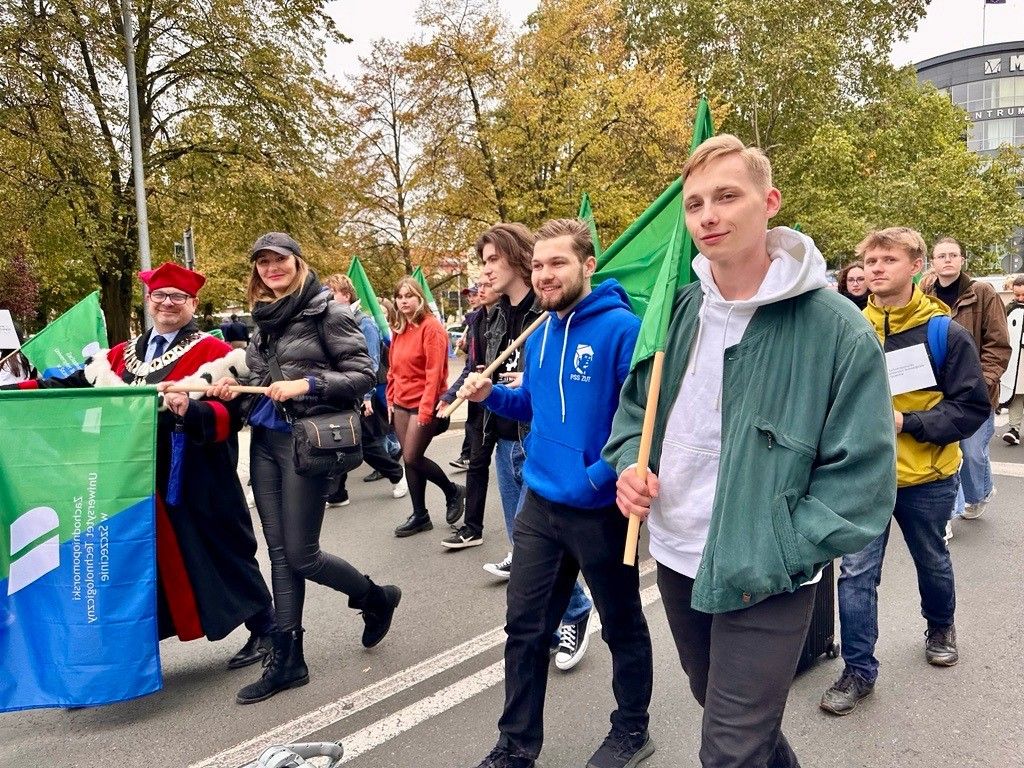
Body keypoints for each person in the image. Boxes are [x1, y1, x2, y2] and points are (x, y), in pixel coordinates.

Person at [606, 135, 897, 768]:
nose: (707, 215)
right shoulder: (678, 311)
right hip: (680, 558)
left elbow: (865, 480)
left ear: (769, 203)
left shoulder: (836, 328)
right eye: (695, 204)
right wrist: (630, 465)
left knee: (729, 751)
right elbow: (635, 415)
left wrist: (786, 546)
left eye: (726, 197)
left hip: (767, 573)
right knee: (734, 721)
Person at [6, 262, 277, 669]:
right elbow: (69, 386)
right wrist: (14, 391)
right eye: (160, 296)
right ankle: (128, 647)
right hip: (134, 476)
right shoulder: (118, 355)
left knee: (222, 549)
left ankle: (267, 628)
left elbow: (233, 413)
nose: (168, 304)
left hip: (198, 475)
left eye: (177, 297)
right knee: (141, 558)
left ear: (193, 303)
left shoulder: (216, 354)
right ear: (149, 301)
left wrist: (191, 411)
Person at [459, 218, 653, 768]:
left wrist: (597, 477)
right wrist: (493, 393)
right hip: (539, 506)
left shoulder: (622, 330)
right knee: (524, 630)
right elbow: (536, 410)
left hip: (601, 511)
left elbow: (641, 425)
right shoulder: (539, 334)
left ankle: (632, 730)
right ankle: (516, 745)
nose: (545, 275)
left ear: (587, 265)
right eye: (539, 265)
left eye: (557, 263)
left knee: (621, 625)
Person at [207, 232, 402, 705]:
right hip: (267, 442)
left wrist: (307, 384)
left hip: (308, 442)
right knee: (278, 553)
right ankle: (289, 658)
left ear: (297, 261)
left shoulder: (327, 311)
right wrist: (236, 386)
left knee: (301, 554)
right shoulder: (263, 320)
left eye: (279, 260)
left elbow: (364, 375)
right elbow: (259, 378)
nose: (271, 268)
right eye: (263, 263)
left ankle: (375, 597)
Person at [820, 227, 989, 716]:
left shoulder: (945, 333)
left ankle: (940, 626)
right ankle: (858, 671)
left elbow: (971, 408)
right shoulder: (848, 328)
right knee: (854, 574)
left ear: (917, 266)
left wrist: (907, 422)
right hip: (862, 479)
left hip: (928, 478)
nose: (874, 268)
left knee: (931, 559)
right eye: (869, 260)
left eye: (887, 259)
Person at [462, 222, 595, 673]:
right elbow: (503, 383)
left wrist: (530, 384)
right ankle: (552, 626)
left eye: (492, 260)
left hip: (540, 446)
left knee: (551, 550)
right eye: (482, 262)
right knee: (527, 545)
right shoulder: (496, 315)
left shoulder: (547, 313)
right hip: (505, 439)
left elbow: (567, 390)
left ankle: (575, 611)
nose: (485, 272)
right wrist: (484, 388)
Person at [922, 236, 1009, 521]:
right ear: (932, 262)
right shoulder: (924, 292)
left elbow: (997, 344)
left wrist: (984, 382)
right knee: (950, 455)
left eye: (953, 255)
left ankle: (982, 491)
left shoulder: (982, 293)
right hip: (938, 393)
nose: (947, 260)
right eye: (941, 255)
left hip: (975, 390)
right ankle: (948, 513)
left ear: (962, 260)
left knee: (972, 454)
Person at [387, 275, 465, 537]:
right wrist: (389, 398)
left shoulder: (431, 328)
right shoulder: (400, 328)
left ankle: (452, 490)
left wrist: (425, 409)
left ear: (419, 297)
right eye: (400, 296)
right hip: (400, 402)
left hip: (424, 403)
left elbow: (435, 374)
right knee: (411, 461)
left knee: (411, 456)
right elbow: (393, 369)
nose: (404, 300)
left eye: (409, 295)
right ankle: (420, 515)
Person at [322, 274, 407, 503]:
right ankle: (337, 493)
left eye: (332, 293)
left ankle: (397, 475)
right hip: (337, 389)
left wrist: (366, 395)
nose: (326, 297)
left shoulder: (363, 322)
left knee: (364, 441)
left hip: (356, 391)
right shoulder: (330, 321)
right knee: (336, 438)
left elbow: (370, 361)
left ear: (346, 295)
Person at [439, 280, 499, 549]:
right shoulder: (475, 321)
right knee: (476, 465)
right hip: (480, 406)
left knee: (519, 471)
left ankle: (525, 546)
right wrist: (449, 396)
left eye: (485, 286)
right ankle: (472, 528)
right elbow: (471, 367)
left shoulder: (516, 315)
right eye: (476, 289)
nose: (479, 293)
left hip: (510, 404)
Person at [450, 282, 483, 472]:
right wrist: (463, 346)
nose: (471, 298)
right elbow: (472, 352)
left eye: (474, 294)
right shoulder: (471, 321)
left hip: (478, 376)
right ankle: (468, 455)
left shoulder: (481, 317)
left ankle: (470, 456)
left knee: (477, 421)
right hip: (471, 374)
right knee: (474, 420)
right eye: (468, 295)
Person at [1001, 275, 1024, 445]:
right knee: (1016, 395)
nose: (1020, 299)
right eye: (1017, 295)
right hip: (1016, 360)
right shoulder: (1008, 309)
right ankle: (1014, 428)